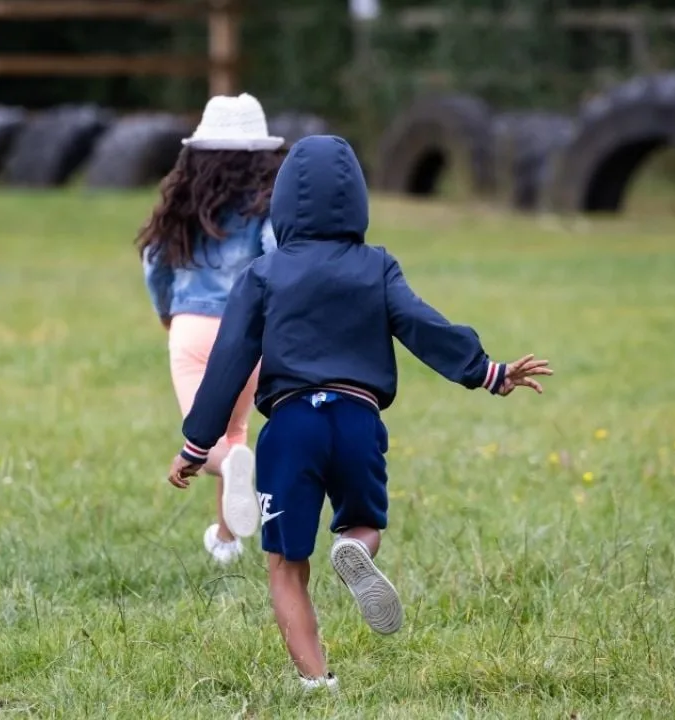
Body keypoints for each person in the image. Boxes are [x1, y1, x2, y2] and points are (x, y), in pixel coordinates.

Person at [165, 135, 553, 690]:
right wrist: (487, 371)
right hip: (357, 420)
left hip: (292, 427)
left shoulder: (264, 274)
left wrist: (197, 444)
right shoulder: (377, 267)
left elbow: (228, 363)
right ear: (357, 201)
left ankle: (317, 682)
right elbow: (422, 325)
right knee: (364, 521)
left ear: (283, 204)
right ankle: (353, 548)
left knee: (286, 566)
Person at [137, 92, 288, 565]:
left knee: (208, 443)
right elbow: (276, 253)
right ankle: (226, 541)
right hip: (249, 336)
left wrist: (166, 311)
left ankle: (233, 509)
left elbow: (154, 261)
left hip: (192, 329)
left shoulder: (184, 201)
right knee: (234, 432)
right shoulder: (268, 204)